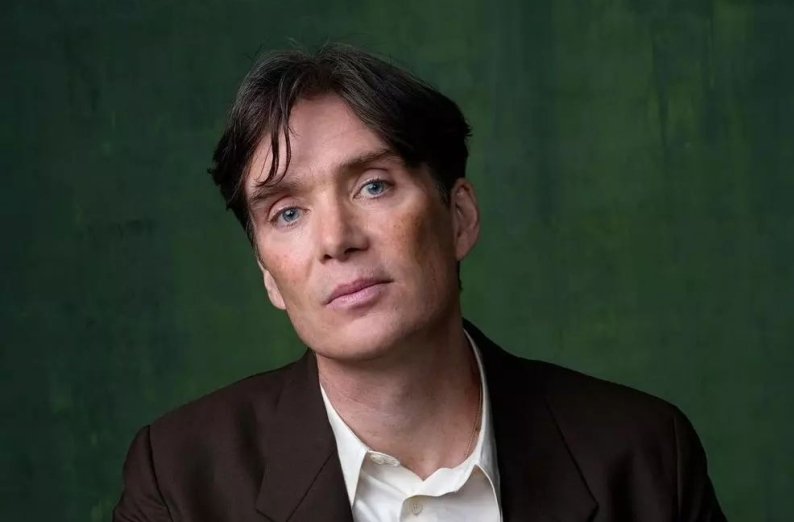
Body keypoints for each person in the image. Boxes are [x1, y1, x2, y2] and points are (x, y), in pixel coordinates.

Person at [113, 44, 726, 522]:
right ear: (269, 276)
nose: (336, 240)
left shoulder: (644, 457)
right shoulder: (178, 482)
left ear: (459, 216)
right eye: (288, 213)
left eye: (373, 185)